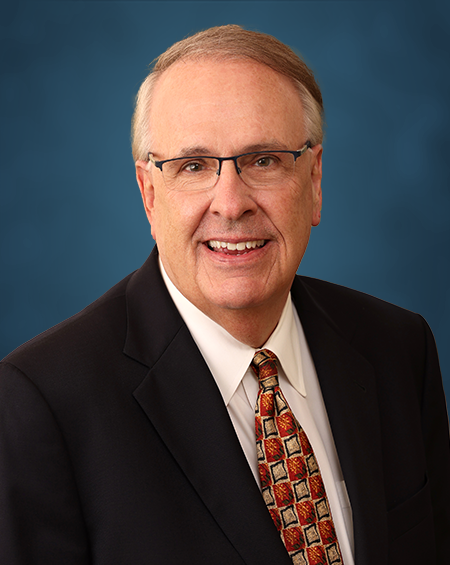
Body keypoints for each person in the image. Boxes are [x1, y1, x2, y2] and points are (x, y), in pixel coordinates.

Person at [0, 24, 449, 565]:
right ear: (149, 194)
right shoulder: (42, 403)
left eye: (264, 160)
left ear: (314, 180)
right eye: (193, 166)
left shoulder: (399, 348)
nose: (231, 203)